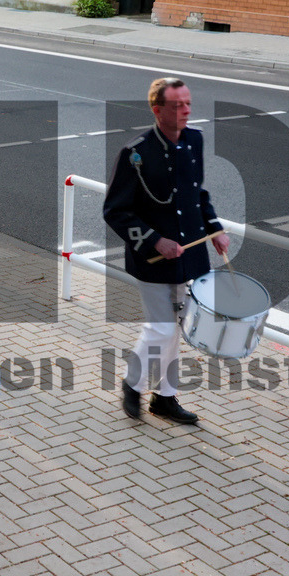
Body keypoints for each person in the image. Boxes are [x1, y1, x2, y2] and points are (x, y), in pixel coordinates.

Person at [104, 77, 229, 425]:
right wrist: (154, 239)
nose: (186, 110)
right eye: (178, 105)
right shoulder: (136, 152)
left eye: (188, 103)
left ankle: (165, 398)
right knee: (161, 328)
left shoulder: (194, 140)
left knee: (176, 328)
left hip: (189, 254)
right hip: (154, 258)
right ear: (158, 110)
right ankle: (133, 384)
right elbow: (115, 210)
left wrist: (214, 228)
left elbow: (196, 193)